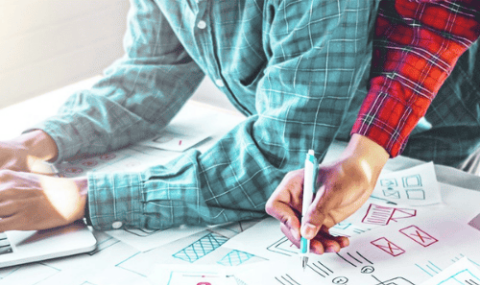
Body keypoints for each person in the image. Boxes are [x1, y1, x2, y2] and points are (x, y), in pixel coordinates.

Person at [0, 0, 479, 256]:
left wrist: (80, 198)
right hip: (326, 155)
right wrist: (40, 143)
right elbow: (155, 65)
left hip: (413, 147)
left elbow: (275, 156)